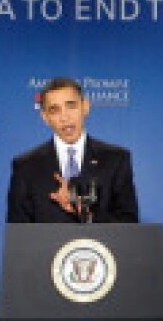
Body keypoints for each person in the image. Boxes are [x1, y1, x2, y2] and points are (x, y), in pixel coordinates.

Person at [7, 78, 139, 223]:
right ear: (45, 117)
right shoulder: (26, 166)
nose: (65, 117)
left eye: (71, 106)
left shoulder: (116, 159)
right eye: (55, 110)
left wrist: (85, 213)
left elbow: (128, 224)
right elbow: (18, 234)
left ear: (85, 107)